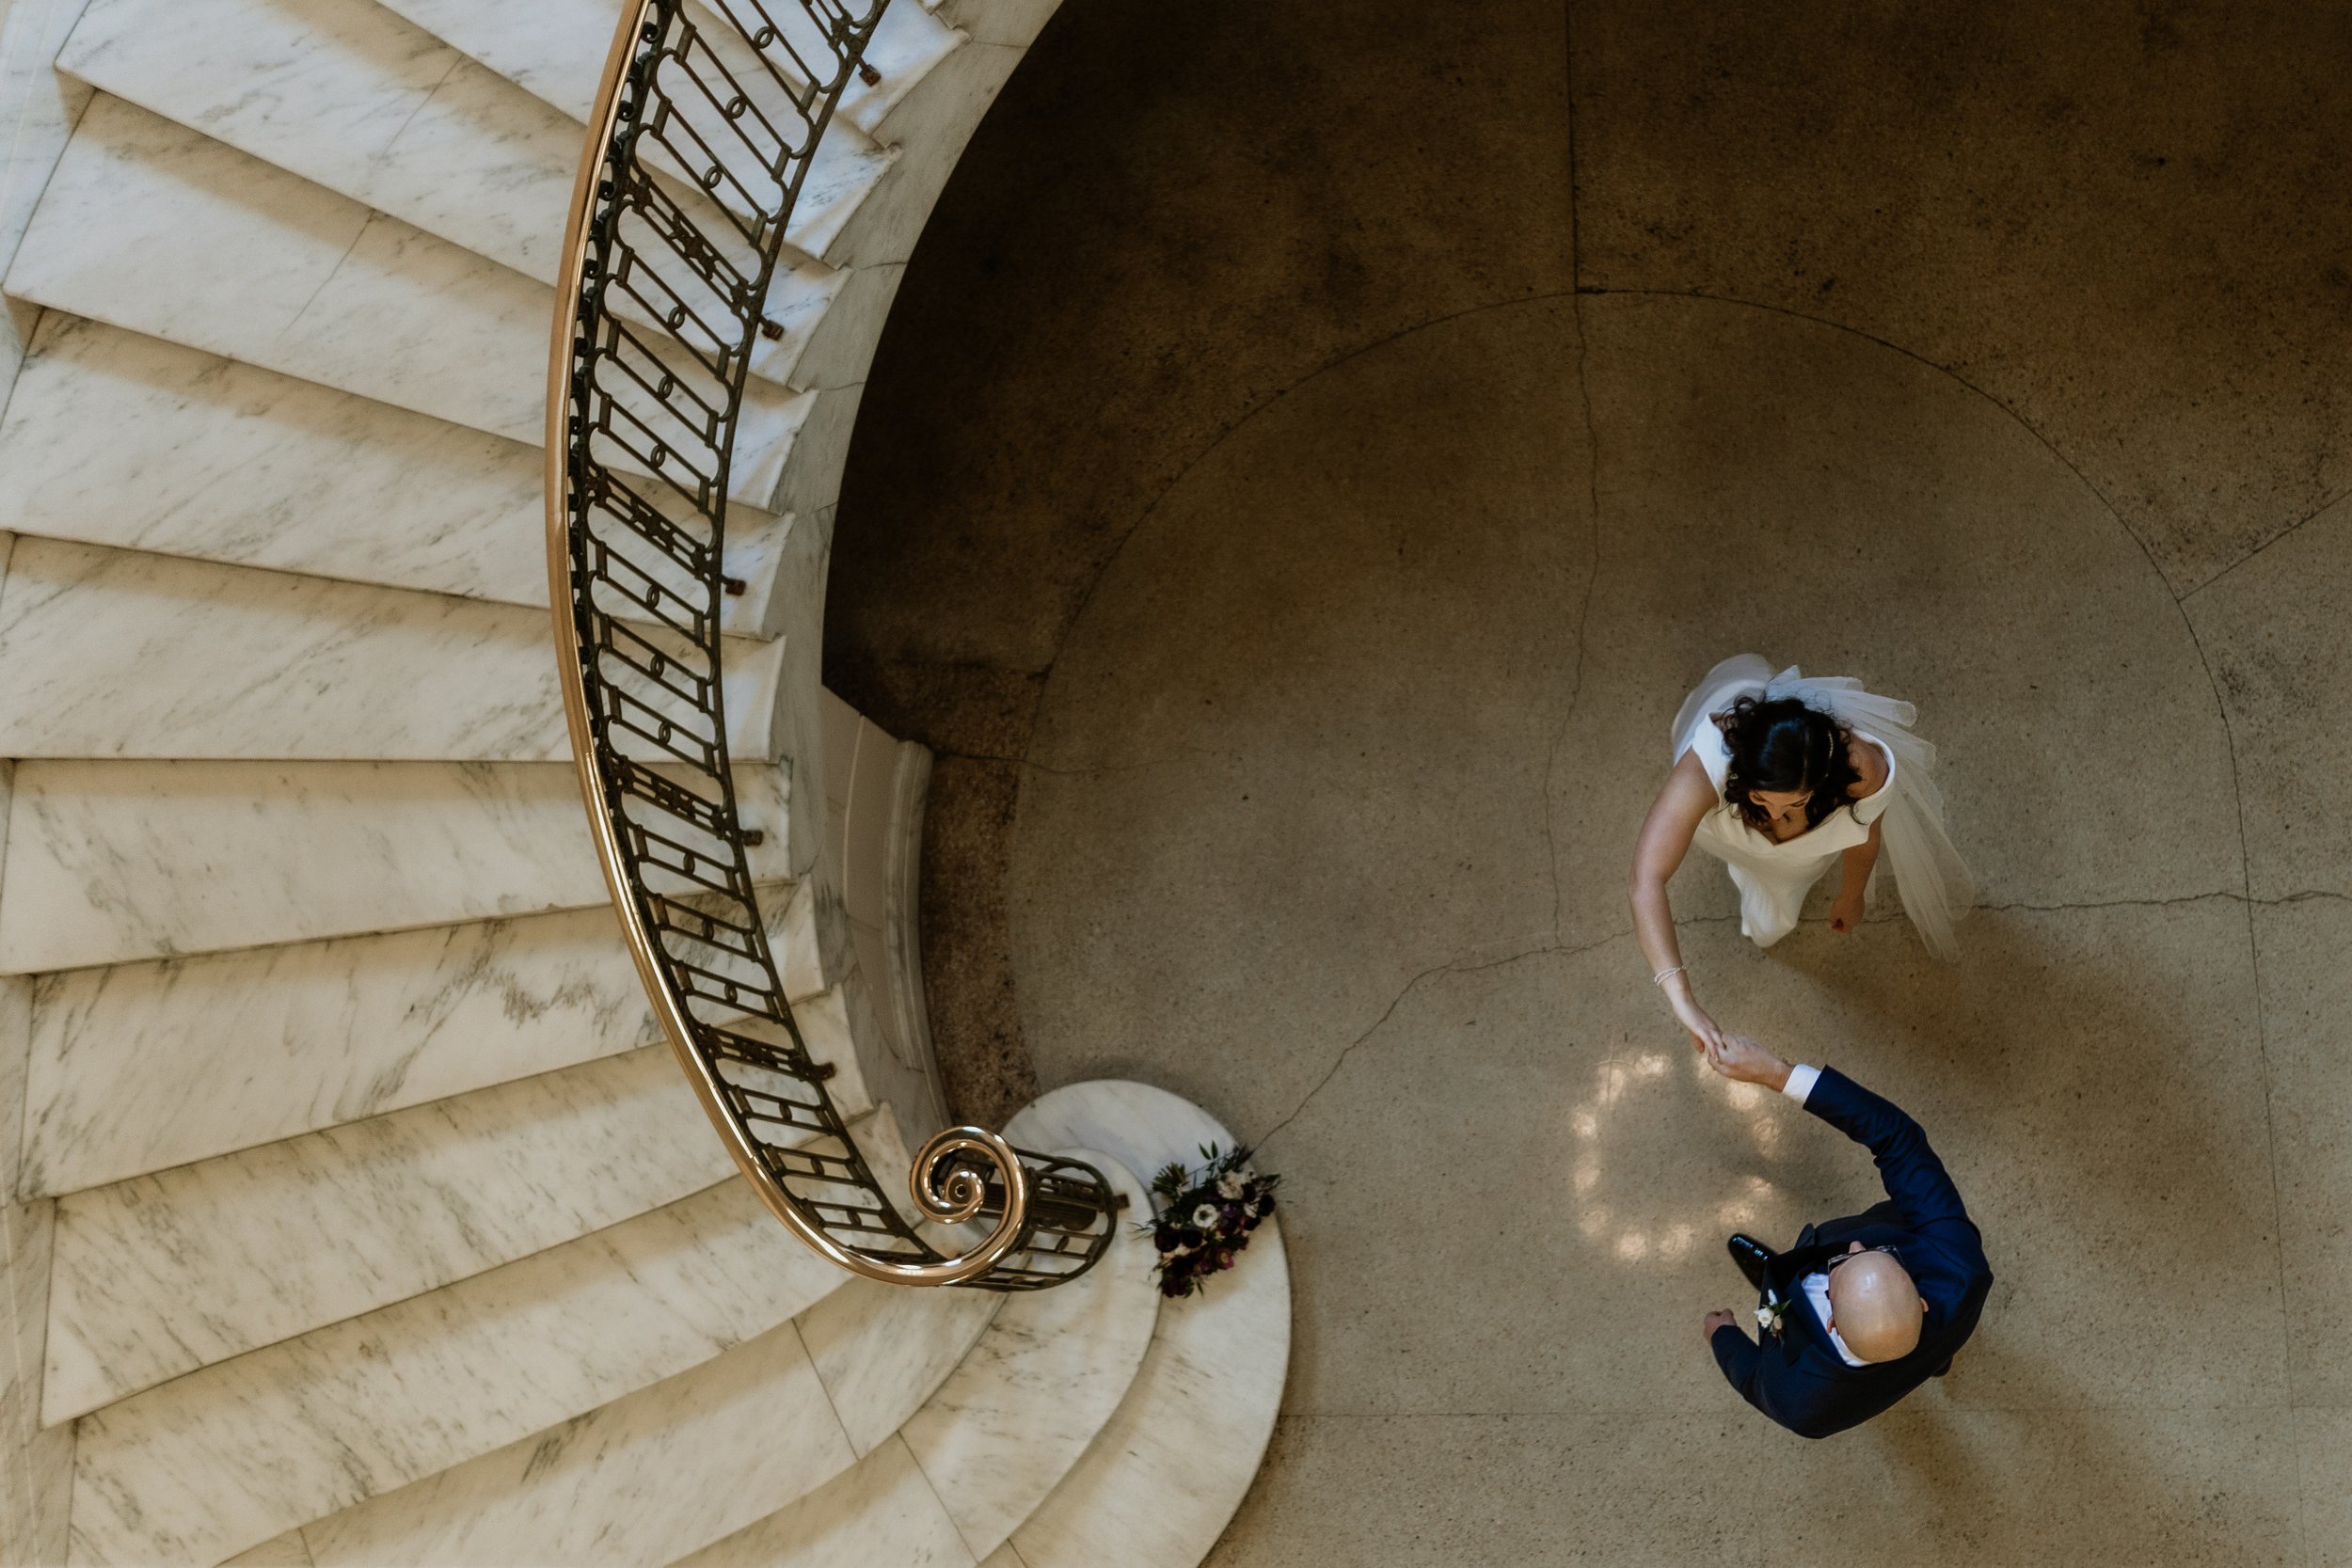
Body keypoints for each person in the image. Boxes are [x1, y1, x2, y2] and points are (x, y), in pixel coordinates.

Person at [1629, 654, 1972, 1056]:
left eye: (1796, 803)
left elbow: (1866, 835)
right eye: (1761, 798)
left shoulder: (1863, 770)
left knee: (1790, 877)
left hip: (1798, 859)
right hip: (1724, 832)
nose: (1774, 815)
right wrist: (1681, 995)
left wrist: (1852, 893)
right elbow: (1646, 878)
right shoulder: (1705, 767)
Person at [1697, 1033, 1993, 1439]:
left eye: (1837, 1265)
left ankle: (1783, 1280)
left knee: (1791, 1286)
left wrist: (1724, 1336)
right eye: (1876, 1254)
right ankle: (1936, 1360)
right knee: (1936, 1351)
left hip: (1802, 1322)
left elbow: (1756, 1382)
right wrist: (1779, 1075)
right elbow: (1898, 1141)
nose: (1855, 1245)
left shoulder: (1801, 1403)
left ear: (1831, 1320)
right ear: (1921, 1302)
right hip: (1939, 1332)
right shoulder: (1961, 1268)